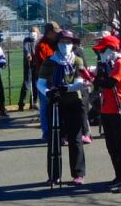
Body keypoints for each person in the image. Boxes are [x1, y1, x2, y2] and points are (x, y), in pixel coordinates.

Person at [37, 30, 91, 185]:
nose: (66, 45)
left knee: (75, 139)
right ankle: (54, 175)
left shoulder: (77, 60)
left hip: (74, 102)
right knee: (54, 140)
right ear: (57, 44)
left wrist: (65, 89)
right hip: (55, 103)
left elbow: (80, 81)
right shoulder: (50, 61)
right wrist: (48, 92)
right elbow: (40, 82)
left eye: (68, 42)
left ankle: (78, 174)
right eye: (62, 42)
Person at [93, 34, 121, 193]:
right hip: (107, 108)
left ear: (111, 49)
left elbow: (110, 83)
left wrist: (93, 79)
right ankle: (119, 176)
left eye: (103, 50)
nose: (100, 53)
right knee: (112, 145)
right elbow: (100, 81)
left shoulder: (120, 63)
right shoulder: (106, 64)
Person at [34, 22, 59, 135]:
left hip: (56, 78)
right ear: (49, 33)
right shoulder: (42, 46)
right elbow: (45, 63)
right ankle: (47, 132)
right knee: (45, 106)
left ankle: (57, 130)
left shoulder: (56, 43)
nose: (57, 35)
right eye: (55, 33)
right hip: (44, 79)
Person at [18, 26, 40, 111]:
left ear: (38, 33)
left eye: (34, 31)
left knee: (35, 84)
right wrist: (28, 54)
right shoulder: (26, 40)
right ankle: (21, 104)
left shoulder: (39, 41)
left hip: (36, 66)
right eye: (31, 31)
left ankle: (33, 102)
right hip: (28, 66)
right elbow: (26, 48)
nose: (32, 33)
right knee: (26, 84)